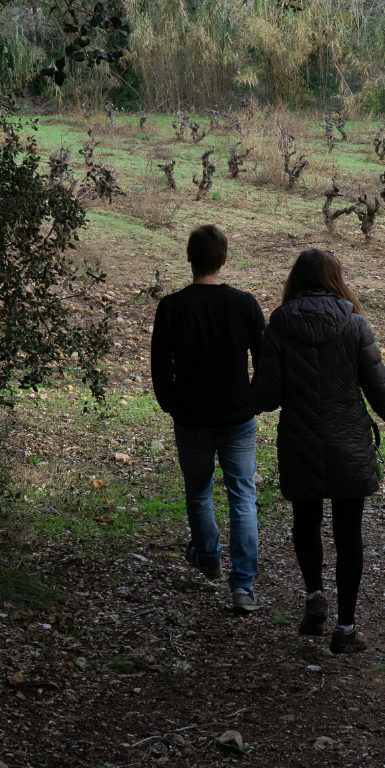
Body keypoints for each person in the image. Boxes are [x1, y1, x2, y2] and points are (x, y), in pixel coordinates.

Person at [253, 248, 385, 654]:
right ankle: (346, 628)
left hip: (300, 440)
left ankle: (314, 596)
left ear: (295, 280)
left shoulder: (278, 325)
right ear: (335, 279)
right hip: (348, 441)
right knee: (348, 533)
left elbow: (267, 398)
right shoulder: (355, 324)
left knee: (305, 522)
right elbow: (378, 386)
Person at [151, 224, 267, 612]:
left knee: (199, 491)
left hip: (191, 419)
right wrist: (254, 399)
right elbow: (265, 360)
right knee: (243, 496)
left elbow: (160, 368)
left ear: (189, 258)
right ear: (224, 259)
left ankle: (210, 558)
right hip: (237, 417)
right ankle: (243, 587)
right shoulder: (245, 304)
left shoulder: (172, 308)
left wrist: (172, 404)